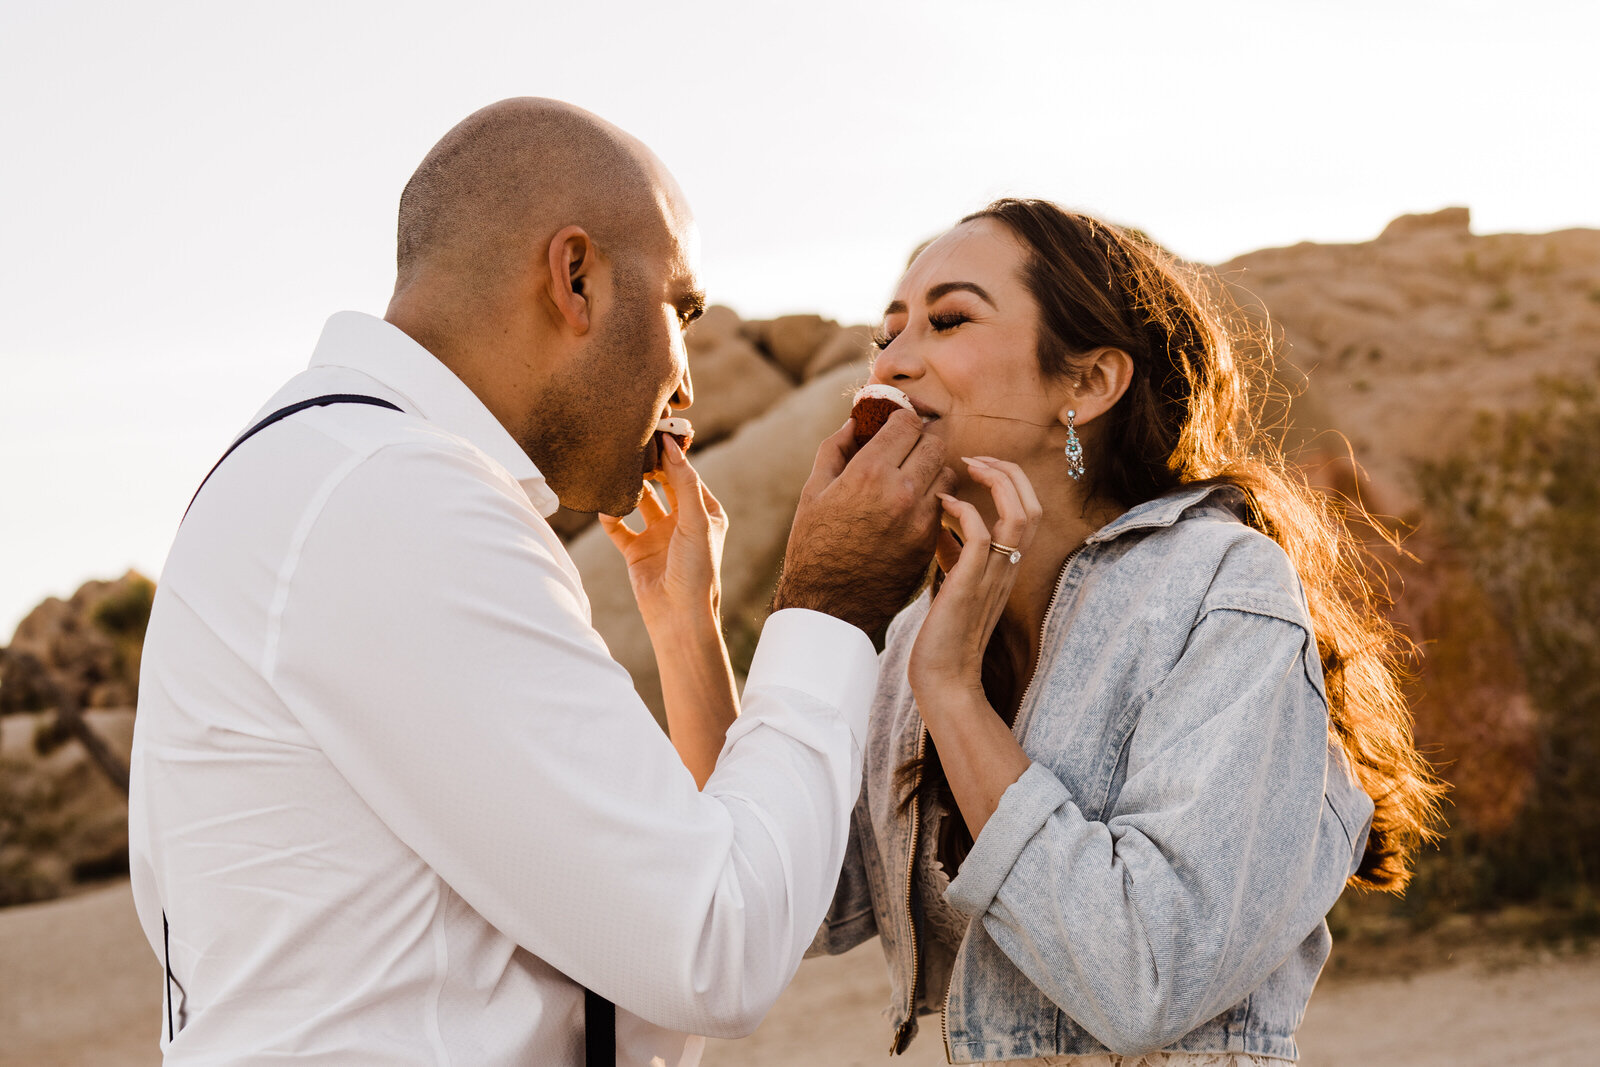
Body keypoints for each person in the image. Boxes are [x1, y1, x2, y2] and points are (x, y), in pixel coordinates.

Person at [126, 98, 954, 1065]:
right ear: (576, 278)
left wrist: (683, 626)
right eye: (681, 311)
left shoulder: (336, 466)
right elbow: (714, 945)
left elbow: (637, 920)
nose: (686, 381)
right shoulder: (395, 493)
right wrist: (833, 600)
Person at [793, 200, 1444, 1064]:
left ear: (1089, 384)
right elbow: (791, 901)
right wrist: (684, 599)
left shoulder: (1221, 583)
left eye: (948, 320)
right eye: (887, 334)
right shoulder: (922, 626)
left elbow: (1142, 978)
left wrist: (950, 693)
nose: (893, 361)